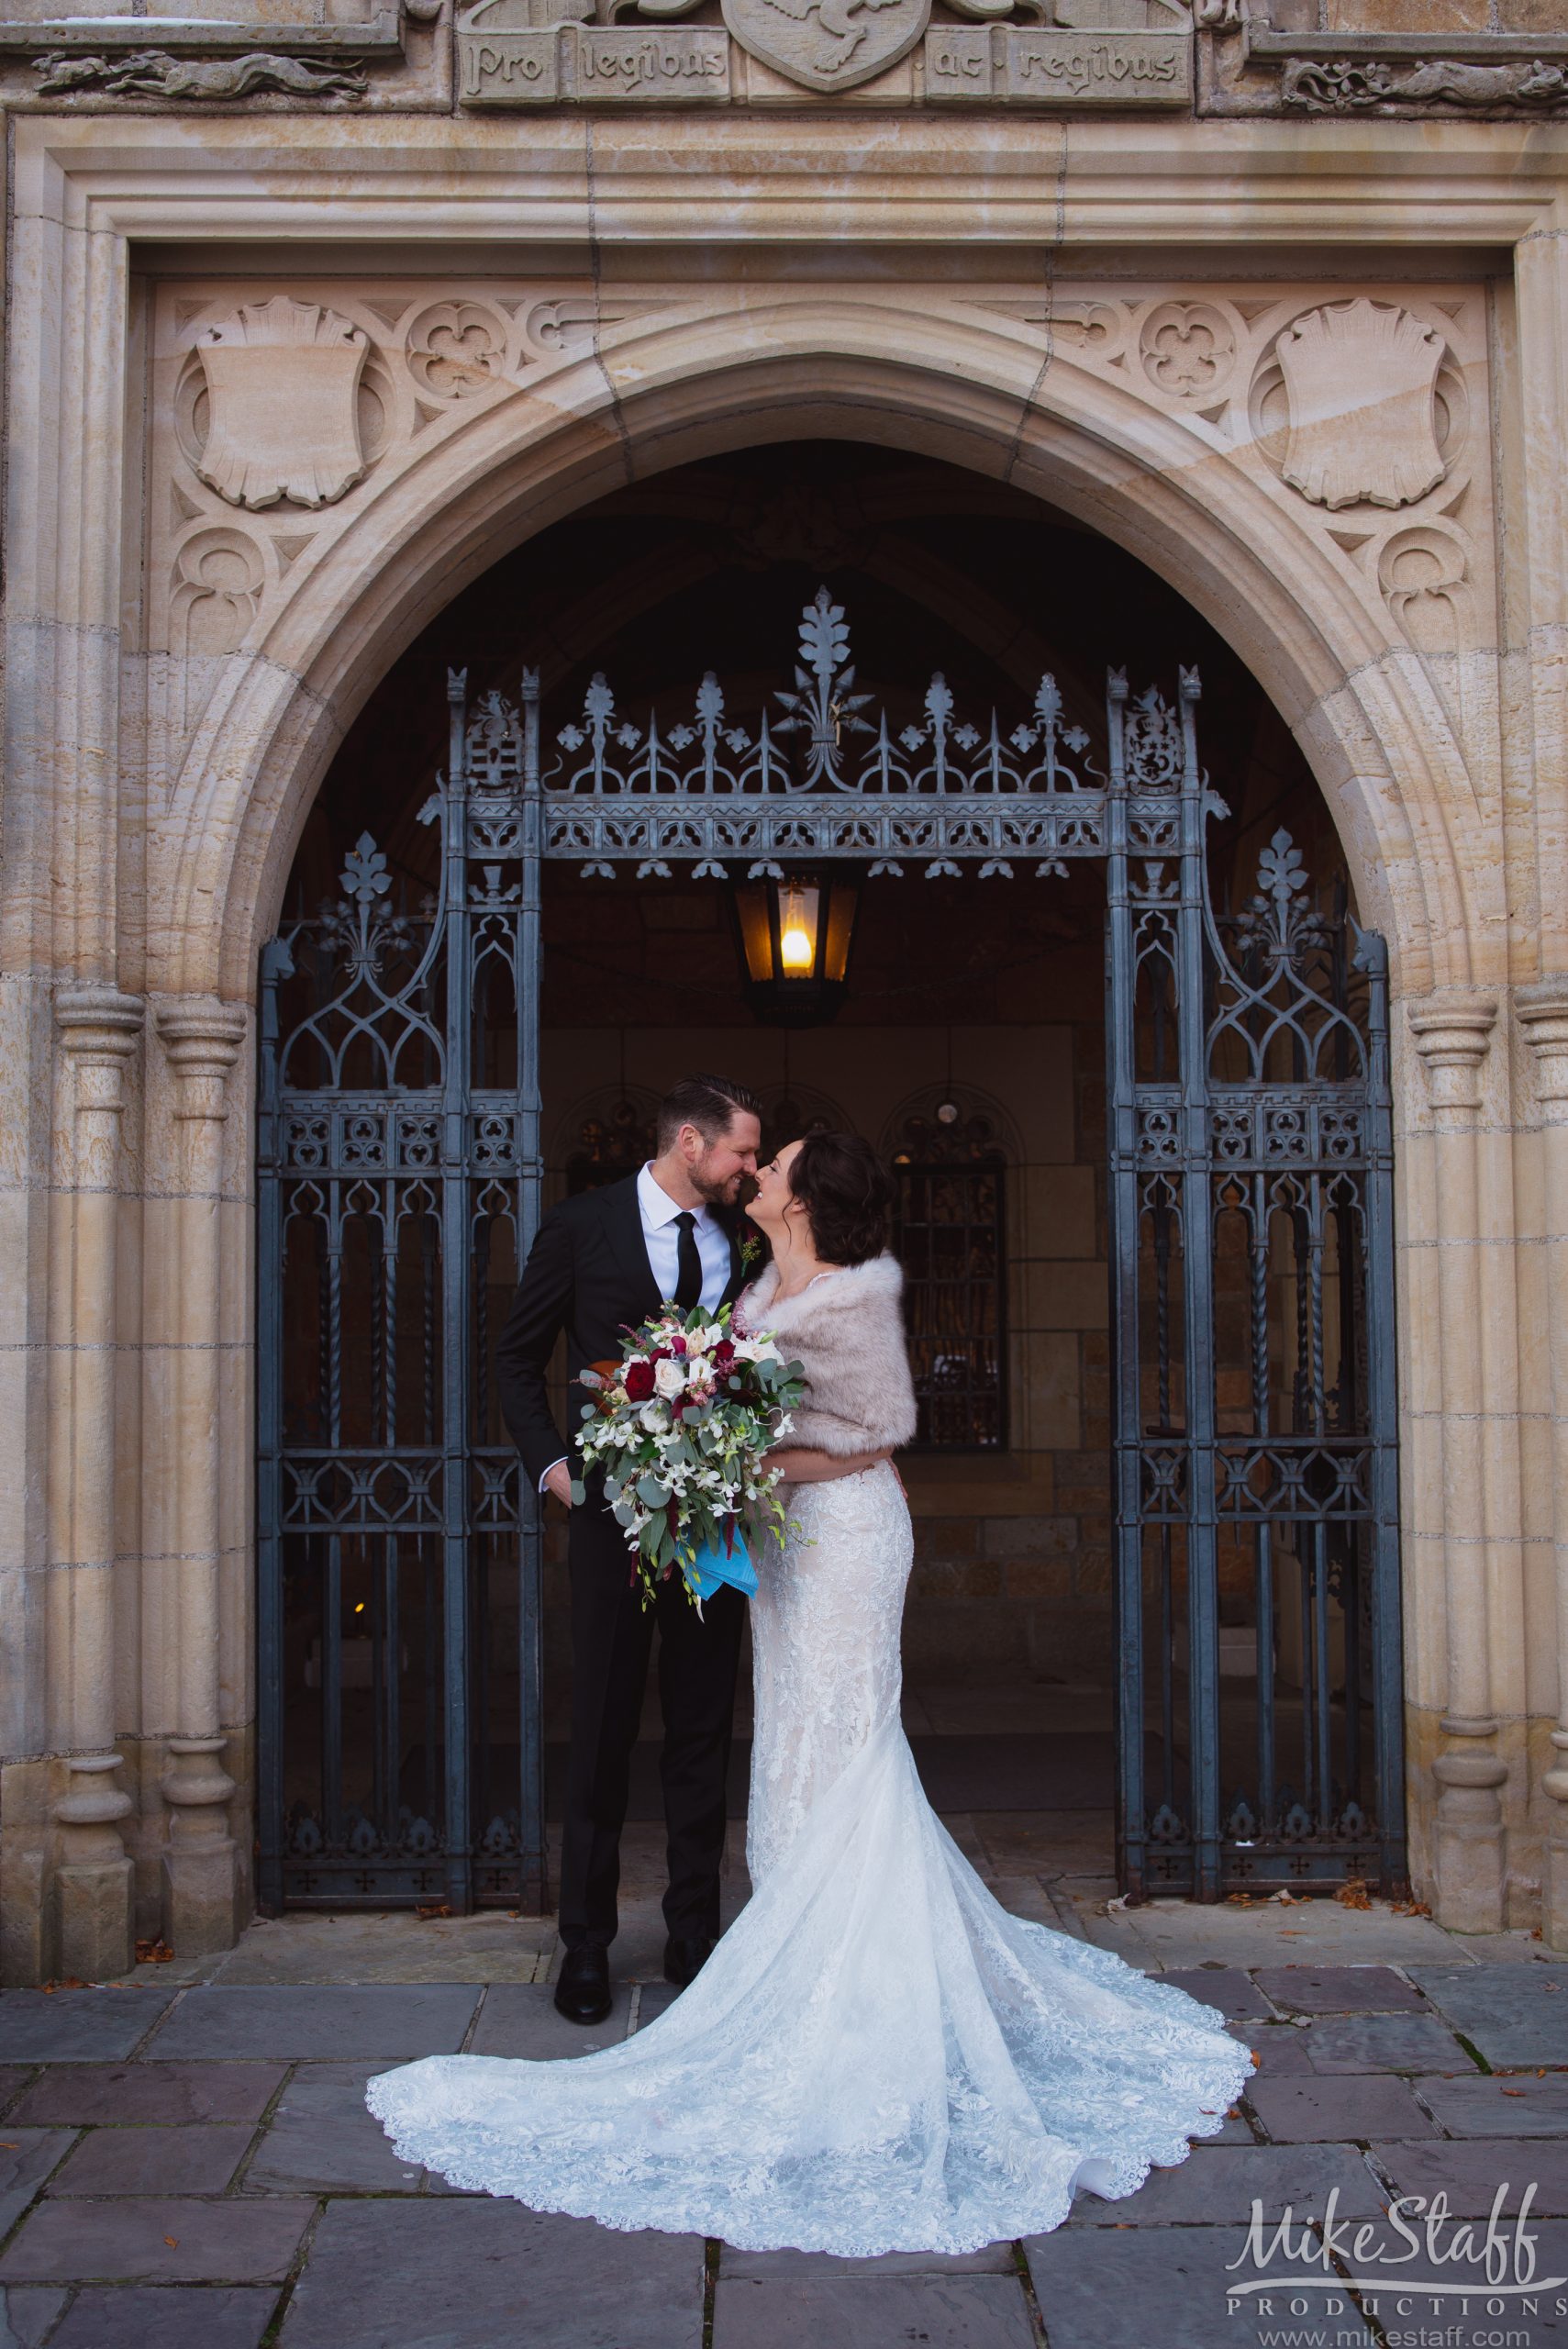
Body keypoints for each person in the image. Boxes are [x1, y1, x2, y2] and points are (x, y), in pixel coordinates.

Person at [368, 1130, 1255, 2255]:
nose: (757, 1174)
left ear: (805, 1198)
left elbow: (878, 1432)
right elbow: (720, 1391)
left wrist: (727, 1457)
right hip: (779, 1549)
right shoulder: (753, 1282)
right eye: (756, 1156)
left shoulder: (852, 1293)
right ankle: (792, 1953)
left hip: (844, 1539)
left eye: (773, 1164)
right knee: (785, 1739)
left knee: (844, 1745)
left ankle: (858, 1990)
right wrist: (687, 1431)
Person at [493, 1072, 762, 2026]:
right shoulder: (580, 1227)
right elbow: (517, 1360)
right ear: (689, 1142)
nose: (749, 1168)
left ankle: (694, 1931)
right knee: (602, 1729)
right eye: (739, 1151)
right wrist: (555, 1471)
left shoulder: (744, 1236)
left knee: (699, 1728)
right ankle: (585, 1947)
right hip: (610, 1520)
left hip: (709, 1522)